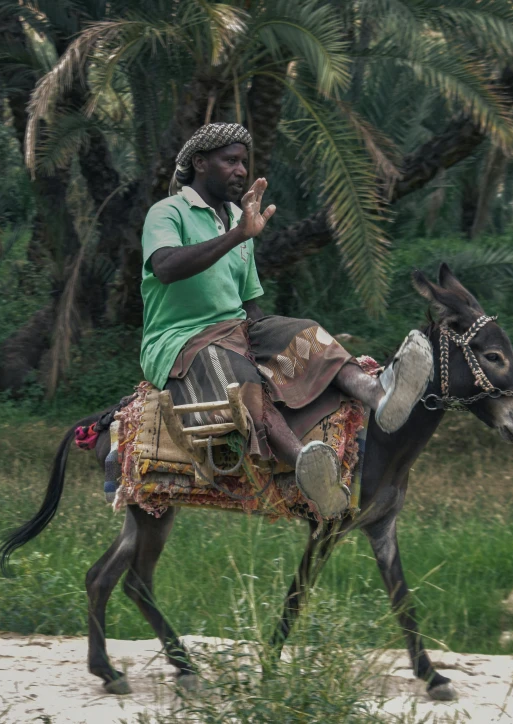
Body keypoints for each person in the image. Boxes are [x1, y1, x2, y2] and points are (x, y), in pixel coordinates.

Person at [140, 123, 433, 518]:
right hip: (181, 340)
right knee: (241, 377)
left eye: (244, 162)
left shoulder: (236, 220)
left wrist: (280, 346)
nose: (242, 171)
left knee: (306, 334)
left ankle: (381, 397)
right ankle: (305, 465)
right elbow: (166, 267)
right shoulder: (168, 212)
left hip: (236, 328)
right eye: (231, 161)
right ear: (200, 163)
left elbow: (249, 305)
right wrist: (238, 235)